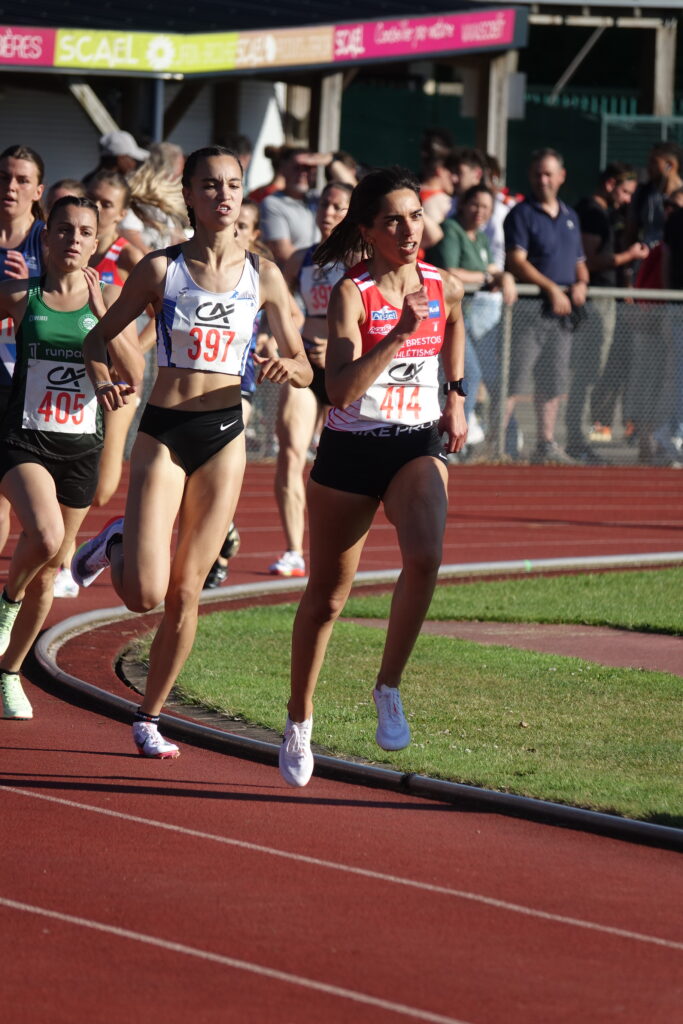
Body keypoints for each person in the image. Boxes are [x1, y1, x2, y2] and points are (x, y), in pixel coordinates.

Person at [71, 145, 312, 759]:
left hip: (225, 435)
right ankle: (114, 543)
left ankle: (150, 716)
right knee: (146, 593)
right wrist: (103, 382)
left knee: (187, 591)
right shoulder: (160, 269)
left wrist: (289, 365)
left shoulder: (266, 276)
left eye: (233, 184)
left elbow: (307, 366)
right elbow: (97, 343)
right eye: (211, 185)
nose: (225, 195)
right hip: (164, 432)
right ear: (191, 195)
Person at [278, 166, 468, 787]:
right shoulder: (353, 295)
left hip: (416, 444)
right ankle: (299, 718)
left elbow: (456, 325)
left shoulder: (444, 285)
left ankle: (388, 686)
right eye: (392, 219)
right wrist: (400, 336)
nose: (408, 228)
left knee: (427, 556)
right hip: (352, 450)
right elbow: (337, 391)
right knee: (328, 598)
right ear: (368, 230)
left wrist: (457, 395)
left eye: (414, 215)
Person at [0, 196, 141, 719]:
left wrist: (104, 313)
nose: (74, 240)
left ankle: (10, 672)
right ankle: (7, 603)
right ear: (45, 236)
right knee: (45, 535)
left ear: (97, 241)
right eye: (63, 230)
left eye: (85, 232)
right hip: (25, 439)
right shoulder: (22, 296)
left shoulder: (108, 300)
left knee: (51, 570)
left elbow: (135, 371)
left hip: (80, 448)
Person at [269, 181, 353, 578]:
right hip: (305, 365)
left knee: (344, 467)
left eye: (338, 207)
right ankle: (292, 550)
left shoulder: (361, 259)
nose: (328, 213)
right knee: (289, 451)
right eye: (324, 205)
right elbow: (277, 304)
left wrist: (337, 345)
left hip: (347, 367)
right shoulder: (301, 259)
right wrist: (277, 337)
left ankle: (337, 554)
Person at [503, 147, 589, 464]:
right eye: (538, 173)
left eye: (549, 173)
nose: (543, 180)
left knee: (553, 380)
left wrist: (581, 283)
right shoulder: (521, 215)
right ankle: (496, 445)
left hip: (562, 316)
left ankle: (546, 443)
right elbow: (516, 261)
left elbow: (581, 262)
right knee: (514, 378)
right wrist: (551, 288)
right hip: (528, 311)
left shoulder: (570, 216)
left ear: (561, 177)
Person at [427, 184, 517, 454]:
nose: (480, 212)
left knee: (484, 375)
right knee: (468, 375)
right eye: (475, 204)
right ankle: (450, 433)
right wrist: (488, 277)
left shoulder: (479, 237)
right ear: (463, 204)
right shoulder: (451, 230)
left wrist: (504, 275)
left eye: (487, 207)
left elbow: (488, 267)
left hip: (473, 322)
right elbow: (450, 272)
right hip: (445, 318)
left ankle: (461, 433)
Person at [568, 163, 648, 460]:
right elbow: (588, 259)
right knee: (586, 373)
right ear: (611, 184)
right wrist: (629, 255)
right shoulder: (592, 212)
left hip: (604, 299)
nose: (628, 200)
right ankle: (575, 436)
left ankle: (578, 435)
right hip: (596, 300)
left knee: (592, 373)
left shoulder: (605, 213)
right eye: (625, 192)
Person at [0, 145, 47, 563]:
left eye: (22, 180)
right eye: (4, 178)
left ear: (38, 191)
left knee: (94, 490)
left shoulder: (49, 241)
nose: (10, 187)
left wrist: (30, 288)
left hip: (37, 380)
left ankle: (62, 559)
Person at [259, 147, 320, 266]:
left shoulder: (320, 198)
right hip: (294, 281)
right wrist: (326, 266)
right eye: (297, 168)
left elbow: (357, 195)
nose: (303, 174)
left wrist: (331, 161)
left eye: (308, 168)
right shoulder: (272, 203)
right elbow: (284, 254)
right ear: (283, 169)